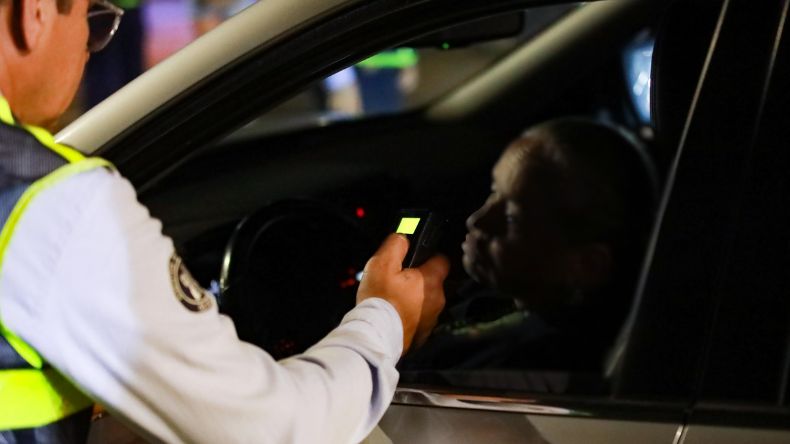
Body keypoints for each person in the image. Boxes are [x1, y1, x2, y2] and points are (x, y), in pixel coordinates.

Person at [0, 0, 447, 443]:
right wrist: (386, 318)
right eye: (91, 21)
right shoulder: (52, 205)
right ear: (34, 12)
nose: (89, 47)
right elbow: (279, 429)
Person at [403, 118, 657, 375]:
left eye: (513, 218)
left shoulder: (522, 371)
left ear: (587, 264)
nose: (478, 220)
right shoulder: (512, 294)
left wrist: (389, 323)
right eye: (494, 192)